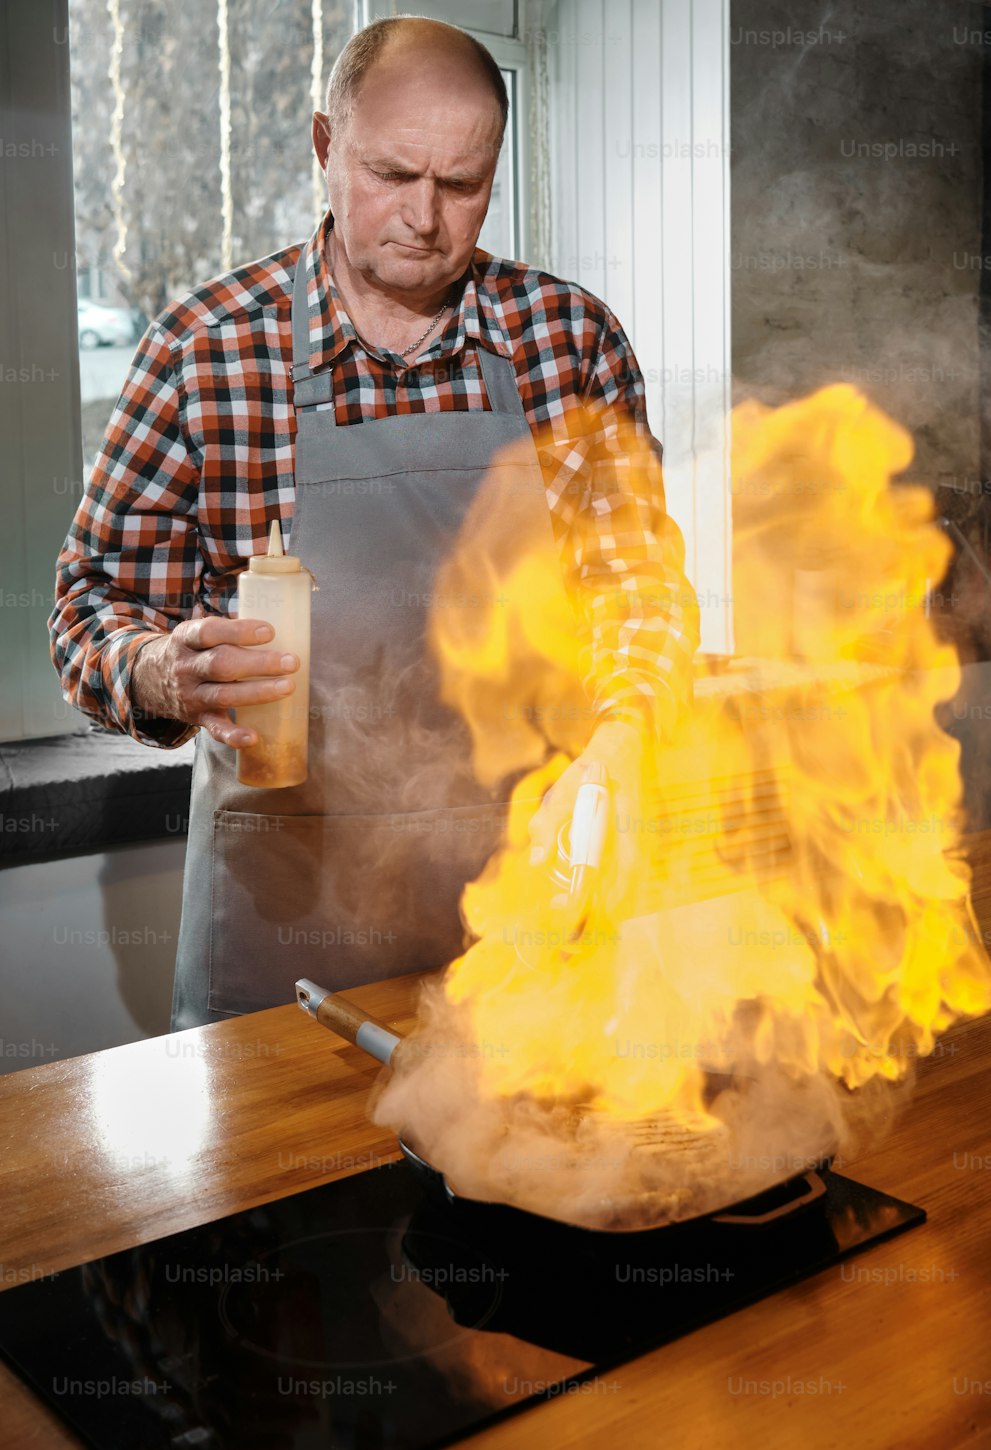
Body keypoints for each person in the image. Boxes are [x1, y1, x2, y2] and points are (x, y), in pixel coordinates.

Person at [49, 16, 699, 1031]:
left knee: (516, 1186)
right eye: (392, 174)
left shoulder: (567, 341)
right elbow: (91, 604)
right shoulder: (205, 350)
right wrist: (157, 670)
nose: (426, 218)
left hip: (528, 913)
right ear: (322, 146)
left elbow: (637, 586)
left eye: (462, 184)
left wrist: (625, 731)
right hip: (280, 936)